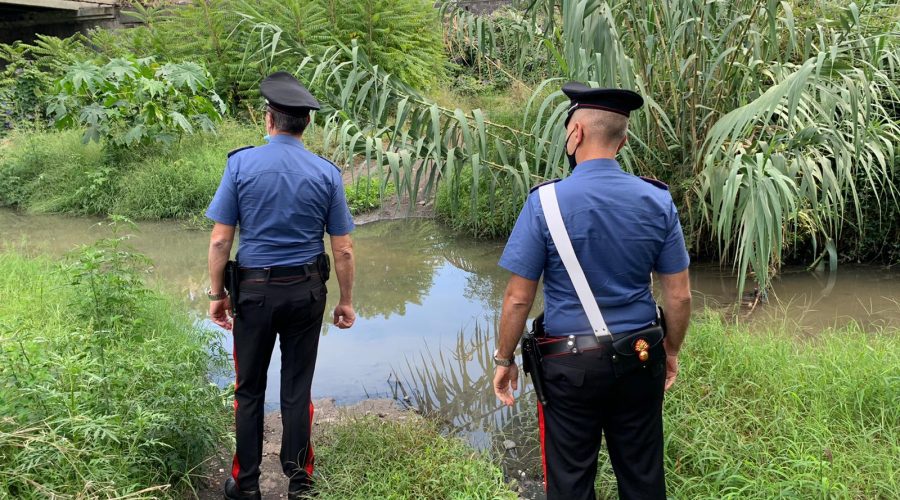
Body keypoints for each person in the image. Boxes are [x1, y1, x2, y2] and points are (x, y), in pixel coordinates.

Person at [491, 82, 692, 500]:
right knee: (642, 476)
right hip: (641, 355)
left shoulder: (544, 203)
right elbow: (679, 296)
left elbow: (517, 299)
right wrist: (670, 351)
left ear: (576, 133)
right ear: (624, 139)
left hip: (570, 366)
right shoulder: (657, 201)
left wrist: (504, 358)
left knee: (570, 480)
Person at [205, 72, 357, 500]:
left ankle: (247, 485)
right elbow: (342, 249)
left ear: (268, 120)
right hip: (307, 292)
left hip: (252, 294)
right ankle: (299, 481)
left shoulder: (240, 164)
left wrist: (218, 296)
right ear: (306, 124)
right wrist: (345, 301)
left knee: (248, 389)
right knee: (296, 387)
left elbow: (221, 239)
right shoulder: (326, 173)